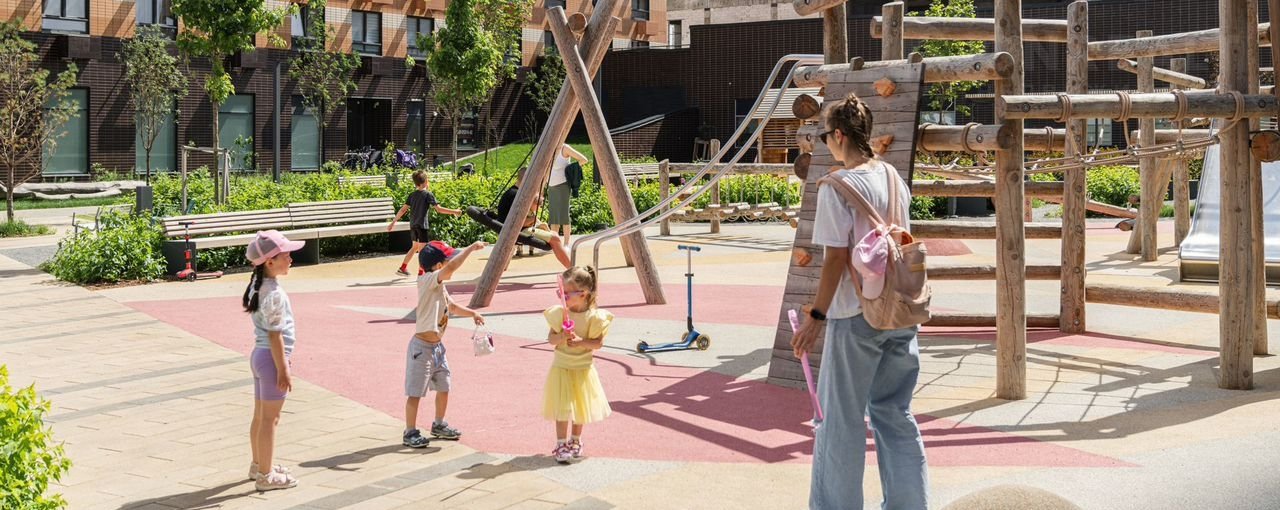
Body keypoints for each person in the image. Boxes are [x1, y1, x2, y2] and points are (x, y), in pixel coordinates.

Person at [790, 92, 928, 510]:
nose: (824, 144)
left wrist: (816, 316)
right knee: (894, 413)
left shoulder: (836, 187)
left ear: (838, 135)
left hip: (856, 314)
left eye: (823, 136)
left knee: (840, 422)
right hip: (902, 309)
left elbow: (835, 259)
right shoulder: (893, 178)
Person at [402, 240, 487, 448]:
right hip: (421, 348)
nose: (449, 265)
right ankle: (410, 431)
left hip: (437, 348)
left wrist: (473, 314)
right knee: (415, 392)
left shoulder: (439, 285)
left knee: (444, 386)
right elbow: (451, 268)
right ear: (439, 265)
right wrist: (470, 248)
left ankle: (439, 424)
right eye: (446, 261)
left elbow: (452, 307)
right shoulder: (427, 280)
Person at [244, 230, 307, 491]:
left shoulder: (257, 285)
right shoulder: (274, 294)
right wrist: (283, 369)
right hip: (271, 359)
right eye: (286, 255)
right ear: (270, 262)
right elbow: (275, 335)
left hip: (259, 357)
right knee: (271, 420)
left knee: (261, 416)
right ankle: (266, 476)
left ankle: (259, 465)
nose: (290, 259)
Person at [542, 266, 613, 464]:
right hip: (562, 367)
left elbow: (597, 343)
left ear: (583, 294)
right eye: (560, 293)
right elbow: (551, 340)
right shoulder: (560, 314)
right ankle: (561, 443)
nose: (562, 297)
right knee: (562, 407)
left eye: (566, 293)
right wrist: (562, 336)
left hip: (583, 368)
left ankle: (576, 440)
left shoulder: (594, 317)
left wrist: (581, 341)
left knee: (581, 406)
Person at [390, 170, 463, 277]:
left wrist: (393, 222)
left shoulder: (412, 195)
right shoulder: (428, 194)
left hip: (413, 225)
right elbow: (439, 209)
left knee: (415, 247)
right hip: (422, 226)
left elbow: (402, 210)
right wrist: (455, 211)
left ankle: (403, 268)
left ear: (415, 183)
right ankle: (421, 273)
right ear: (426, 181)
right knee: (423, 251)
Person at [497, 167, 573, 268]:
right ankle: (572, 269)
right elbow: (518, 223)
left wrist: (537, 223)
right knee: (555, 239)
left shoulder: (513, 192)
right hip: (514, 230)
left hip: (514, 228)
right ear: (528, 179)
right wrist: (533, 221)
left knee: (554, 234)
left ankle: (571, 267)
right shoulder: (516, 196)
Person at [547, 144, 589, 246]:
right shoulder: (549, 147)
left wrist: (570, 169)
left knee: (564, 215)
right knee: (554, 217)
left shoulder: (565, 148)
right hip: (551, 186)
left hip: (563, 185)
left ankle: (566, 244)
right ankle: (555, 245)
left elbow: (584, 160)